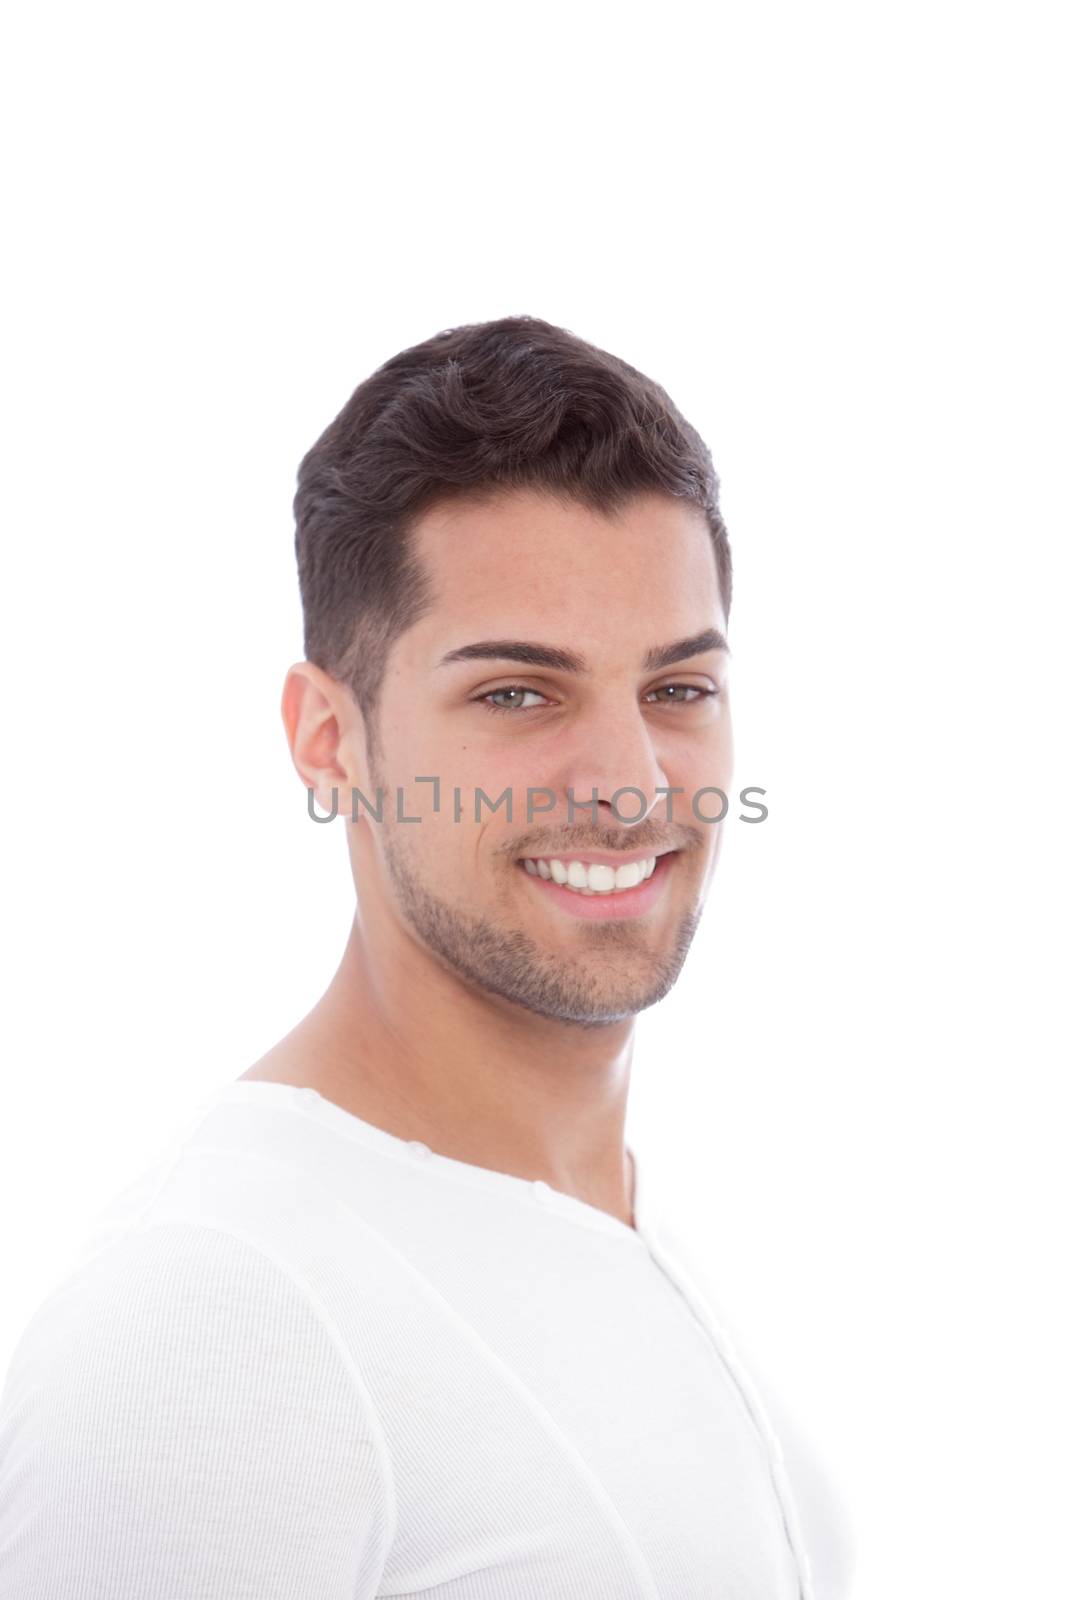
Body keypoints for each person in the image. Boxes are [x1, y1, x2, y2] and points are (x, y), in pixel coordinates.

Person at [0, 315, 851, 1597]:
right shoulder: (213, 1325)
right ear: (328, 738)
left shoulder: (624, 1221)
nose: (627, 784)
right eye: (518, 693)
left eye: (676, 688)